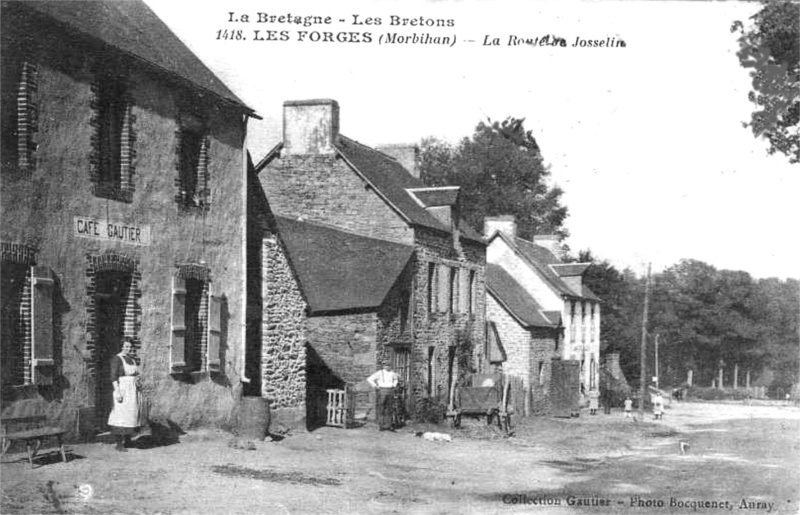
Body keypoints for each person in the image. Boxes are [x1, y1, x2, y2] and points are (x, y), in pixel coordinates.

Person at [108, 339, 143, 451]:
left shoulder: (132, 359)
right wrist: (117, 391)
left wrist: (137, 380)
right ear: (121, 347)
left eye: (130, 347)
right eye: (126, 346)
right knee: (121, 416)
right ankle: (119, 444)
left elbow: (136, 373)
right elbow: (113, 377)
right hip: (123, 389)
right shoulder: (117, 359)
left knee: (131, 415)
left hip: (133, 390)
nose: (128, 349)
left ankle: (128, 440)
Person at [367, 361, 399, 431]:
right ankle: (381, 425)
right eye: (386, 365)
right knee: (381, 408)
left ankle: (389, 425)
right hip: (382, 391)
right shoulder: (379, 373)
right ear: (383, 366)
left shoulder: (392, 373)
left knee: (389, 408)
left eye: (388, 365)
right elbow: (369, 379)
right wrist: (375, 386)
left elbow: (396, 379)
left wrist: (394, 385)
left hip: (390, 390)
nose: (387, 367)